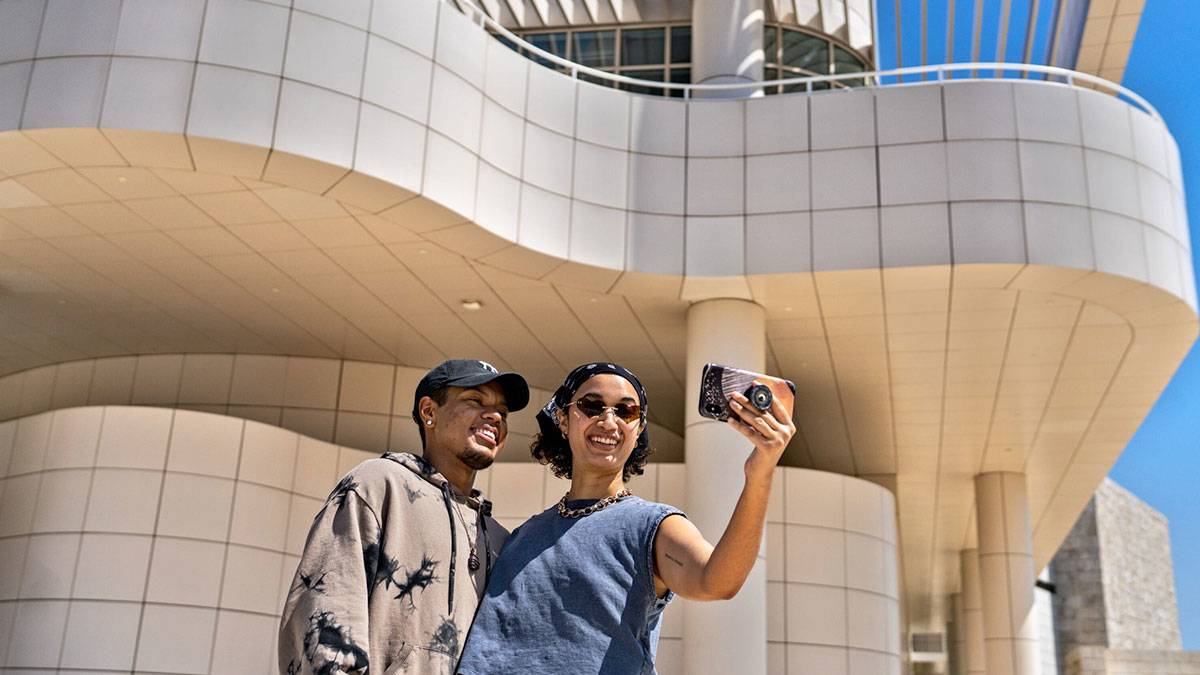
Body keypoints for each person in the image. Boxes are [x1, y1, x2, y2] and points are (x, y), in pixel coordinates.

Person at [456, 362, 796, 675]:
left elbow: (716, 582)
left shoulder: (652, 526)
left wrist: (759, 473)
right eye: (592, 406)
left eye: (625, 411)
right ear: (563, 419)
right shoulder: (522, 536)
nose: (609, 420)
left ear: (638, 429)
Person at [278, 359, 530, 675]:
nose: (494, 417)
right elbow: (326, 614)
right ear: (429, 412)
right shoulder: (378, 485)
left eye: (503, 413)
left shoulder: (497, 538)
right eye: (475, 401)